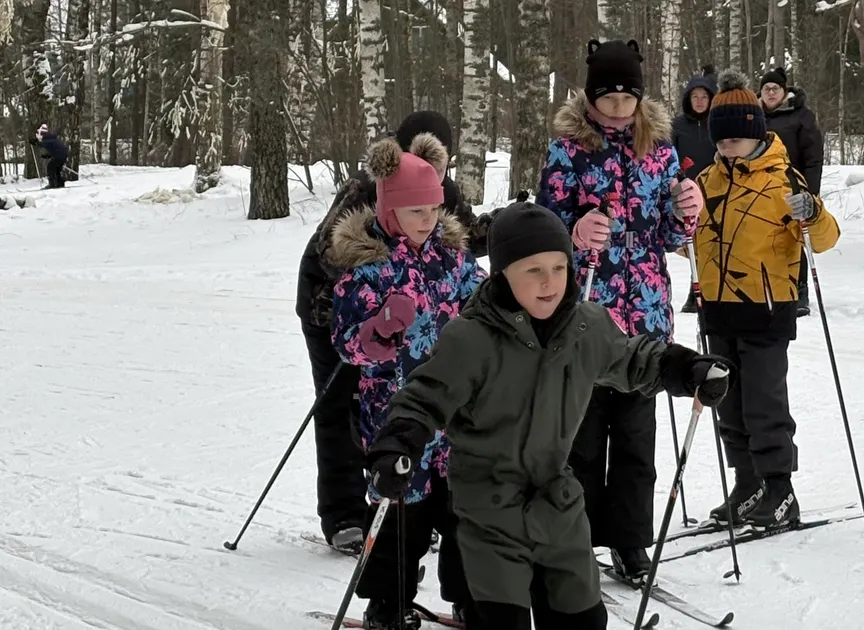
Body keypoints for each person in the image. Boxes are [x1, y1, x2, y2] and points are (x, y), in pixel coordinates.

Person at [364, 200, 733, 630]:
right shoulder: (471, 338)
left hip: (558, 502)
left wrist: (688, 369)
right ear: (503, 273)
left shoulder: (585, 326)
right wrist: (397, 442)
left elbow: (634, 358)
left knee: (583, 618)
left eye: (559, 268)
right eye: (533, 270)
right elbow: (423, 398)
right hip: (489, 509)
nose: (549, 283)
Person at [535, 38, 703, 580]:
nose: (619, 109)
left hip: (646, 308)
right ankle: (576, 539)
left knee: (636, 438)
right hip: (587, 309)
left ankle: (631, 542)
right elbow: (542, 227)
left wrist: (687, 211)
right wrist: (575, 231)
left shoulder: (658, 145)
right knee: (581, 436)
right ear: (591, 97)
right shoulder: (568, 148)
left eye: (629, 98)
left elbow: (670, 231)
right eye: (609, 99)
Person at [327, 131, 485, 629]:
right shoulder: (367, 270)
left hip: (453, 408)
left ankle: (469, 596)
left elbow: (482, 304)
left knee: (461, 507)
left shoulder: (452, 260)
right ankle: (386, 602)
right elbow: (347, 344)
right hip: (392, 407)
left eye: (435, 210)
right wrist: (377, 328)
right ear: (391, 211)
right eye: (417, 212)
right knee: (402, 510)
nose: (429, 221)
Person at [295, 110, 469, 554]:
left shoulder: (435, 190)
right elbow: (333, 254)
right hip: (329, 307)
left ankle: (419, 510)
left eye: (443, 166)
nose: (431, 213)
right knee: (341, 409)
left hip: (403, 328)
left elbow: (461, 242)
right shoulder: (365, 191)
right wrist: (378, 307)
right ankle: (345, 514)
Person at [694, 69, 840, 531]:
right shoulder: (707, 181)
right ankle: (747, 483)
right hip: (717, 309)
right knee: (729, 403)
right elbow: (687, 240)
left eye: (735, 139)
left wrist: (812, 212)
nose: (726, 148)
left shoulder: (785, 179)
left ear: (756, 134)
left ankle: (780, 490)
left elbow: (826, 237)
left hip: (766, 307)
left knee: (764, 403)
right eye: (720, 141)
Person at [759, 67, 825, 317]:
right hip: (763, 187)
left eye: (775, 88)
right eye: (767, 89)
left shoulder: (801, 116)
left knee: (796, 235)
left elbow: (813, 155)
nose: (771, 93)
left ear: (784, 92)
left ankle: (800, 287)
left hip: (794, 184)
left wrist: (811, 191)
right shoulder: (754, 114)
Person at [672, 65, 719, 315]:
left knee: (714, 241)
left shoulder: (717, 122)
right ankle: (696, 287)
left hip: (715, 189)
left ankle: (710, 289)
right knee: (693, 241)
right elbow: (669, 158)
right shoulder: (678, 125)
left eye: (704, 97)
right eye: (695, 97)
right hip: (688, 192)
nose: (700, 102)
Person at [28, 124, 69, 189]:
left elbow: (43, 144)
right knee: (57, 169)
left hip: (60, 155)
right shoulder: (51, 138)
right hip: (63, 154)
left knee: (50, 167)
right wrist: (48, 155)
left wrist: (35, 142)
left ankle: (52, 184)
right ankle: (59, 183)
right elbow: (55, 149)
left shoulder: (47, 139)